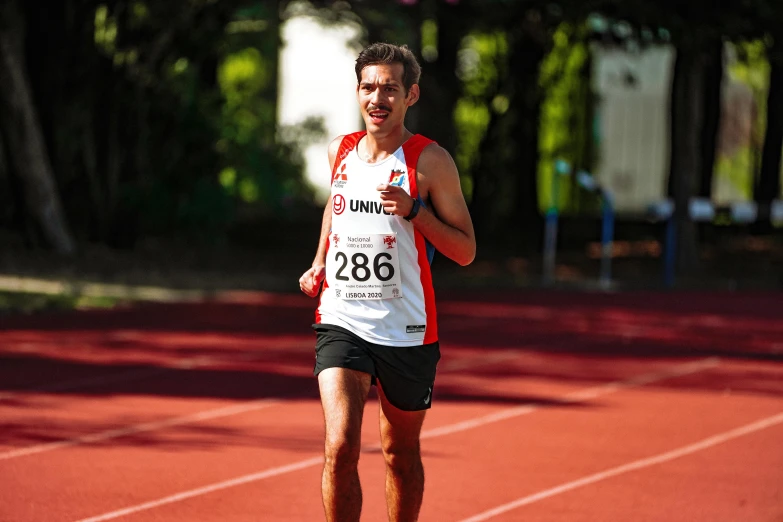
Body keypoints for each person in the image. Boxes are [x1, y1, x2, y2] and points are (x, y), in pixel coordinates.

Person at [298, 42, 476, 522]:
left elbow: (465, 250)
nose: (378, 98)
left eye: (390, 89)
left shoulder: (429, 162)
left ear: (410, 95)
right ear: (358, 92)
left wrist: (415, 211)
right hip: (342, 318)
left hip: (407, 329)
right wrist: (318, 263)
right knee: (339, 446)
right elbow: (333, 213)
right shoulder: (341, 151)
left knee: (399, 454)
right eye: (369, 87)